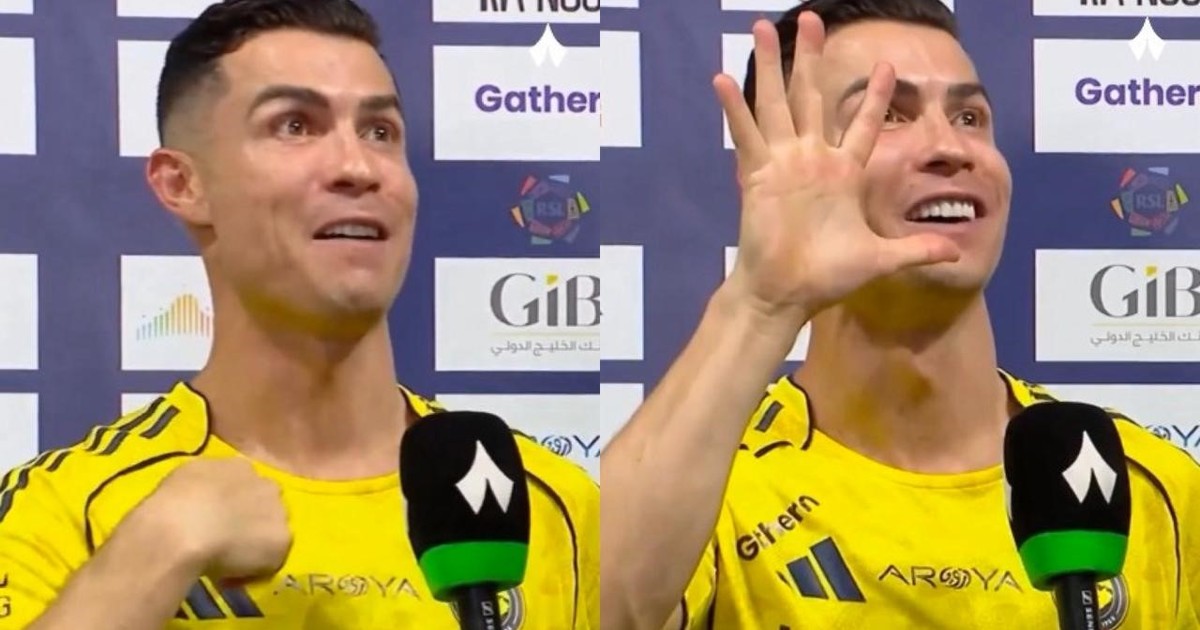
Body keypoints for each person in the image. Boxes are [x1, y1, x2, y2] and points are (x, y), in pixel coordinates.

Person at [600, 1, 1200, 628]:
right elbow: (600, 608)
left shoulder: (1145, 484)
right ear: (767, 173)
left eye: (969, 117)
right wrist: (760, 302)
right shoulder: (709, 483)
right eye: (885, 114)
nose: (950, 147)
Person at [0, 1, 598, 628]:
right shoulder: (66, 511)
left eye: (380, 132)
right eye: (295, 126)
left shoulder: (553, 504)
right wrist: (152, 559)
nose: (357, 167)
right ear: (182, 185)